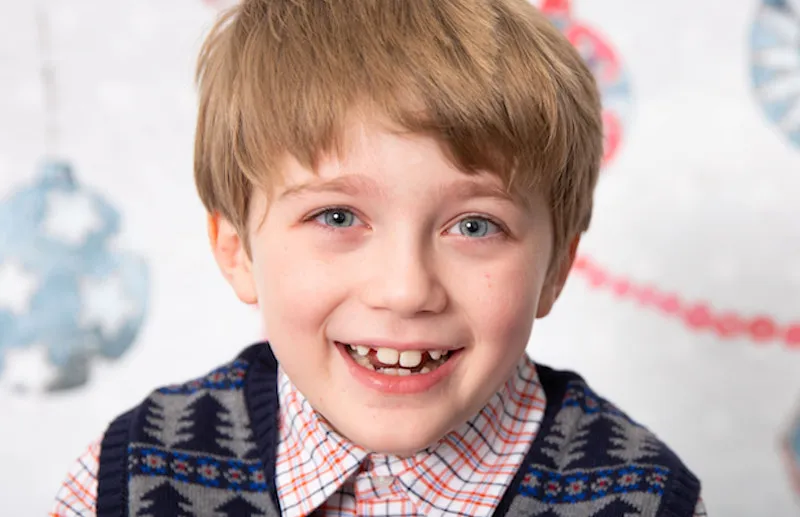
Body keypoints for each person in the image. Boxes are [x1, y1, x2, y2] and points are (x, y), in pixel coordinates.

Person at [51, 0, 706, 515]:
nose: (404, 289)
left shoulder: (643, 497)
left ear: (556, 269)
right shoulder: (132, 478)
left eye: (475, 225)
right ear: (236, 250)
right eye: (337, 217)